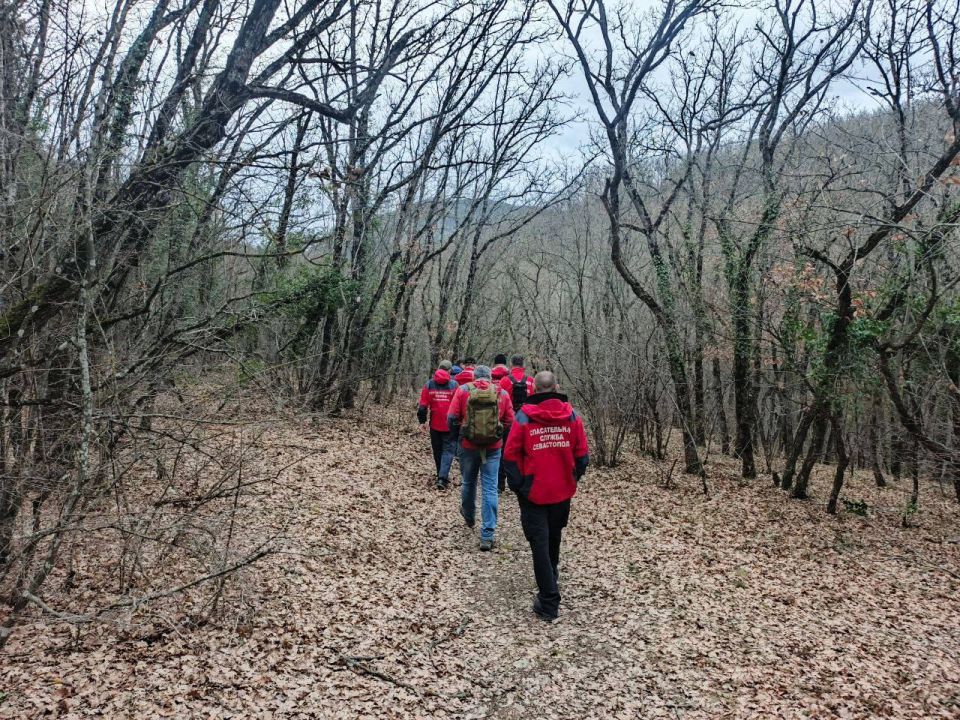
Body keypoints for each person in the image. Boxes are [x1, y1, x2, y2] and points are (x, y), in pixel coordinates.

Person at [503, 371, 589, 622]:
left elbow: (510, 456)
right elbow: (582, 455)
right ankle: (550, 581)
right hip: (557, 491)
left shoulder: (524, 417)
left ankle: (549, 600)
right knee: (551, 538)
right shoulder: (572, 416)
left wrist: (520, 485)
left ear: (535, 389)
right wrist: (571, 477)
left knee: (540, 543)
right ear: (556, 386)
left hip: (535, 492)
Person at [447, 365, 514, 551]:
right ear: (490, 377)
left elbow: (451, 417)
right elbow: (510, 420)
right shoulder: (501, 393)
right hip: (493, 447)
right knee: (490, 487)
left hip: (467, 446)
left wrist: (458, 436)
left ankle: (469, 516)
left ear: (474, 377)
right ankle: (487, 534)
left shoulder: (463, 390)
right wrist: (498, 433)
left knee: (468, 482)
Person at [417, 361, 459, 489]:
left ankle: (441, 475)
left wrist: (422, 421)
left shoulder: (429, 384)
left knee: (437, 450)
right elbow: (458, 405)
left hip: (434, 424)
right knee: (448, 451)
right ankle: (442, 477)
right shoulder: (454, 385)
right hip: (451, 424)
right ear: (449, 370)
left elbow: (423, 405)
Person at [496, 355, 534, 493]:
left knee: (504, 452)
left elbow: (499, 401)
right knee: (526, 452)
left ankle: (500, 484)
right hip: (527, 423)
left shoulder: (505, 381)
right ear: (523, 364)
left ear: (511, 365)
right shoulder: (531, 381)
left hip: (509, 424)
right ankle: (524, 482)